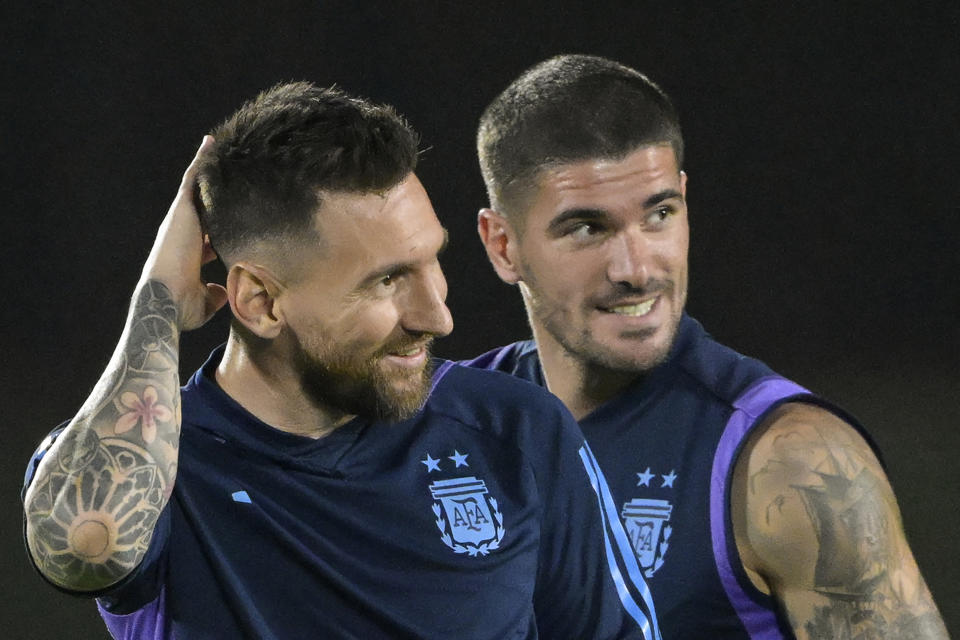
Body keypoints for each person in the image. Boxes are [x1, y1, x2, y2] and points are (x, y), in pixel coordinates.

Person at [21, 82, 653, 639]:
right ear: (261, 301)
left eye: (432, 260)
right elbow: (83, 545)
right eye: (386, 281)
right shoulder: (158, 465)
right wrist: (154, 308)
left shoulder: (516, 432)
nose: (437, 316)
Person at [466, 55, 949, 639]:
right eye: (587, 229)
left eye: (659, 214)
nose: (637, 269)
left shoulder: (791, 463)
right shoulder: (451, 426)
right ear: (502, 246)